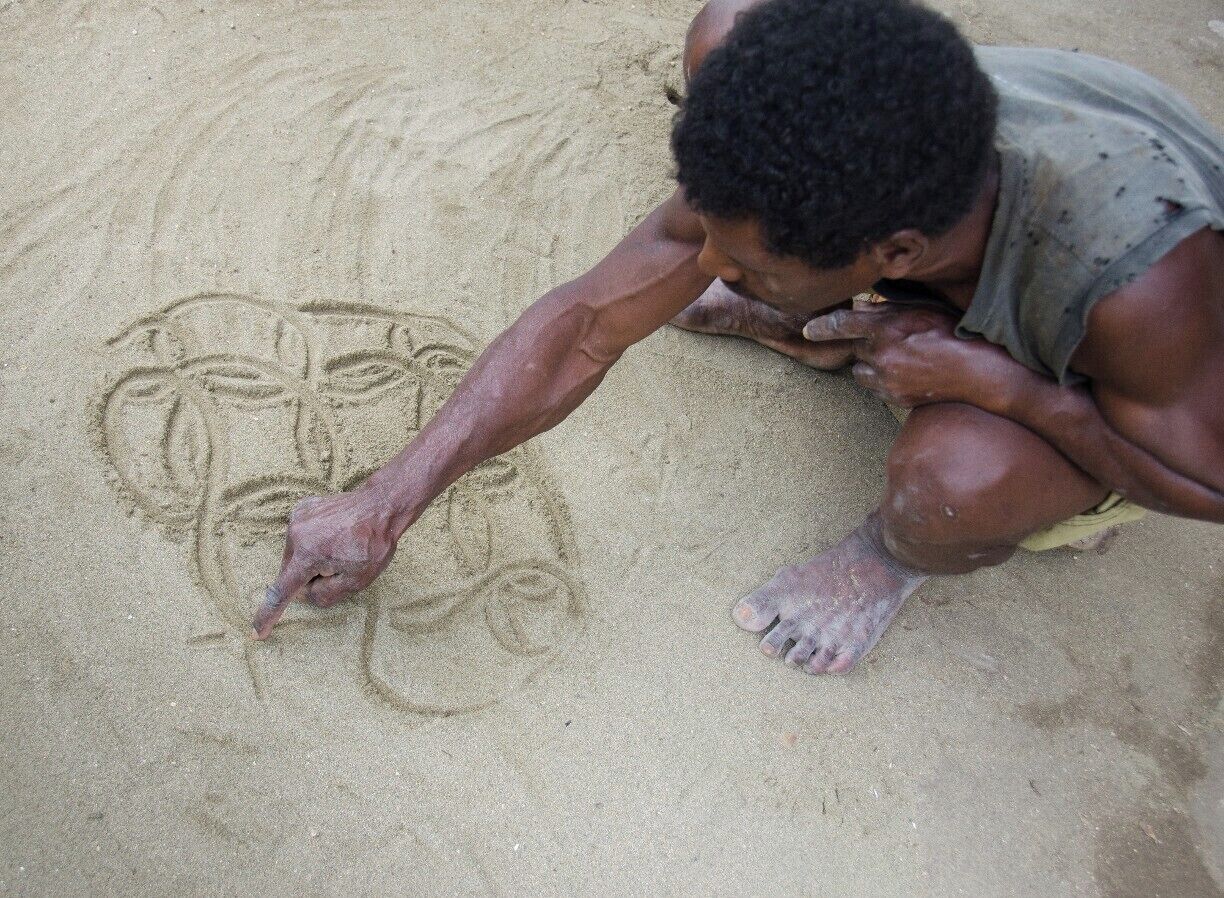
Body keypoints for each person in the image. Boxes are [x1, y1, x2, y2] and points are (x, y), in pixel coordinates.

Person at [253, 0, 1224, 677]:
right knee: (732, 27)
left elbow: (1207, 481)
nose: (703, 262)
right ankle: (830, 326)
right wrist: (385, 501)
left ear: (891, 253)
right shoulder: (864, 161)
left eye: (745, 263)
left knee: (956, 482)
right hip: (927, 276)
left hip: (1105, 383)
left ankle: (889, 554)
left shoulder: (1139, 290)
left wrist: (1011, 390)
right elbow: (591, 321)